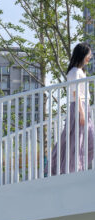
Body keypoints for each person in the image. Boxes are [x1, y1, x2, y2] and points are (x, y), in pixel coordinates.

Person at [51, 43, 94, 174]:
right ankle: (71, 168)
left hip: (83, 107)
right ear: (82, 54)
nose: (90, 57)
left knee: (85, 137)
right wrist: (81, 112)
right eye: (88, 54)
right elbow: (75, 93)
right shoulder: (74, 72)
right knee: (76, 138)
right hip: (78, 107)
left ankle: (76, 166)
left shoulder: (81, 71)